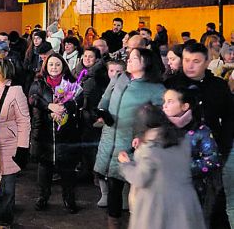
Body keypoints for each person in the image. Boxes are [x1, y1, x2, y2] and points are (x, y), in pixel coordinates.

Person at [94, 48, 166, 228]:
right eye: (130, 57)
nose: (129, 60)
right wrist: (102, 112)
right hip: (110, 137)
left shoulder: (156, 88)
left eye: (135, 58)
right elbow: (106, 97)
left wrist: (143, 133)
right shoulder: (120, 77)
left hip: (133, 142)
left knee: (137, 186)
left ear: (146, 62)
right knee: (113, 184)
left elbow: (161, 117)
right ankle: (113, 223)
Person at [165, 42, 234, 227]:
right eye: (186, 60)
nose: (190, 65)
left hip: (211, 157)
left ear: (207, 61)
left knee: (214, 208)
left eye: (196, 61)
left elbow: (229, 117)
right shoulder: (171, 85)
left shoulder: (218, 86)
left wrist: (224, 145)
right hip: (178, 157)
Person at [118, 104, 206, 229]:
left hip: (157, 207)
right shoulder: (182, 140)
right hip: (185, 202)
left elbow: (141, 178)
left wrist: (125, 164)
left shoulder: (149, 149)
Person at [28, 53, 81, 214]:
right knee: (44, 168)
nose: (54, 67)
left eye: (57, 64)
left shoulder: (71, 82)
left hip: (66, 134)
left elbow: (80, 100)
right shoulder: (39, 82)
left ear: (63, 65)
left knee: (67, 170)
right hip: (45, 132)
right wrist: (49, 107)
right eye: (51, 64)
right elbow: (32, 99)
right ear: (46, 66)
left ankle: (68, 198)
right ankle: (43, 196)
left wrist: (65, 108)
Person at [0, 56, 31, 228]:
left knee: (7, 189)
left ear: (2, 71)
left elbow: (24, 121)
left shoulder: (15, 91)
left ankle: (5, 222)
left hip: (9, 145)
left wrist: (23, 148)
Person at [163, 88, 221, 227]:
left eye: (170, 101)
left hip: (191, 192)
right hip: (163, 190)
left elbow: (212, 160)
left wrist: (183, 168)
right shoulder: (160, 128)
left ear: (185, 106)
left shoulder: (201, 131)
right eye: (164, 101)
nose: (164, 105)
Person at [73, 47, 109, 184]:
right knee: (81, 144)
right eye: (85, 56)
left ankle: (95, 175)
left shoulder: (100, 74)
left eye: (91, 57)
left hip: (92, 114)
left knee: (92, 145)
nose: (87, 59)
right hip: (79, 114)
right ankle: (84, 170)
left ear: (97, 59)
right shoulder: (76, 71)